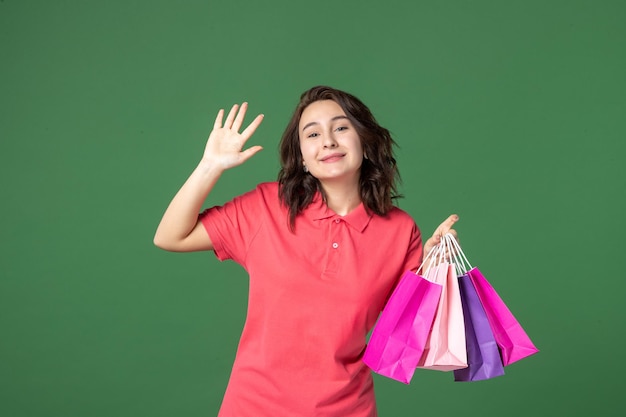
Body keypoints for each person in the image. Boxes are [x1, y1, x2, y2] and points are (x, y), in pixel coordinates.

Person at [154, 86, 458, 416]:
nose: (328, 141)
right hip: (254, 406)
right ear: (302, 156)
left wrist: (433, 272)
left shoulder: (400, 230)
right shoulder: (267, 207)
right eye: (312, 134)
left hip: (348, 408)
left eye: (341, 128)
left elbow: (407, 339)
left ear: (365, 143)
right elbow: (170, 237)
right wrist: (210, 166)